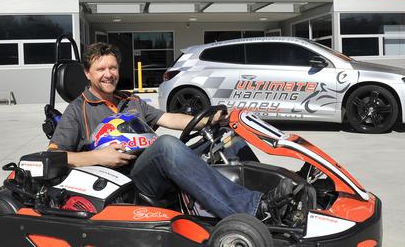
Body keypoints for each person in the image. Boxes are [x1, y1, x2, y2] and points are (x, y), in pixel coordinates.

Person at [47, 42, 292, 221]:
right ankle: (254, 210)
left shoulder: (130, 101)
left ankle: (268, 196)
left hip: (152, 166)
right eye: (101, 69)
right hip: (129, 182)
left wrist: (208, 120)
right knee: (166, 146)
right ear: (88, 73)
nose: (108, 74)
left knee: (228, 139)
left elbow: (168, 118)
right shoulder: (78, 110)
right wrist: (97, 157)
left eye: (112, 68)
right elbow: (53, 156)